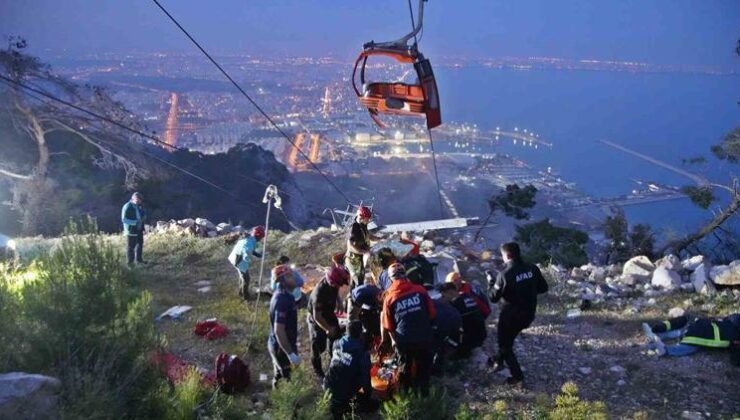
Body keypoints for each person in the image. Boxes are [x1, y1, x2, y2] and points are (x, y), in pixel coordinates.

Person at [487, 242, 548, 387]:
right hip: (528, 314)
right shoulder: (532, 268)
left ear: (507, 256)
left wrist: (490, 283)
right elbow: (543, 288)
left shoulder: (504, 275)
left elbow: (493, 298)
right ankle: (497, 360)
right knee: (507, 341)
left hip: (510, 316)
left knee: (505, 345)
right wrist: (528, 292)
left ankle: (517, 377)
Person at [381, 262, 436, 395]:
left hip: (404, 340)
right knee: (424, 368)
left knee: (404, 369)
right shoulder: (420, 290)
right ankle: (424, 395)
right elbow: (432, 313)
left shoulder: (389, 298)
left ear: (390, 279)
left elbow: (388, 325)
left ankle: (405, 397)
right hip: (424, 337)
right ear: (405, 275)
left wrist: (394, 342)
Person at [323, 320, 380, 419]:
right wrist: (369, 395)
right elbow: (365, 381)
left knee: (347, 373)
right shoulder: (362, 354)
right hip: (343, 395)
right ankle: (352, 407)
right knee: (372, 403)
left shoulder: (336, 343)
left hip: (327, 386)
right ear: (360, 334)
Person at [642, 313, 740, 363]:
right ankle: (666, 350)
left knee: (680, 332)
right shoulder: (736, 337)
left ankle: (658, 336)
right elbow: (735, 361)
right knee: (688, 348)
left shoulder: (724, 322)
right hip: (699, 338)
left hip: (696, 325)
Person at [307, 265, 350, 378]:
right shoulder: (319, 293)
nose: (339, 286)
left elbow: (336, 291)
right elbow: (317, 316)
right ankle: (318, 371)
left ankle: (334, 360)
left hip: (329, 312)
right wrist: (327, 328)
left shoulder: (335, 281)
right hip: (317, 319)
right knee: (318, 346)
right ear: (331, 282)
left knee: (335, 337)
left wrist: (339, 302)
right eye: (337, 284)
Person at [267, 265, 301, 388]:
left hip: (283, 344)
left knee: (279, 374)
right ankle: (289, 405)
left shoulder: (287, 295)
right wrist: (290, 354)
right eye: (290, 276)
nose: (294, 278)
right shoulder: (281, 300)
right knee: (288, 379)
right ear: (282, 279)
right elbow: (279, 330)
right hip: (280, 348)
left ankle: (276, 390)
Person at [442, 280, 486, 358]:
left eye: (444, 296)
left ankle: (462, 356)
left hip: (472, 339)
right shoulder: (467, 296)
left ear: (450, 292)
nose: (443, 299)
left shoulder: (455, 305)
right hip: (481, 334)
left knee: (444, 337)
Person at [346, 206, 381, 290]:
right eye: (367, 218)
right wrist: (363, 252)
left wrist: (380, 239)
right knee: (359, 279)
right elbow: (350, 246)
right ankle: (355, 297)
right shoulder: (353, 228)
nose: (368, 220)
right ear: (361, 217)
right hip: (354, 258)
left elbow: (368, 235)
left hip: (364, 255)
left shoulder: (363, 225)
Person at [431, 283, 463, 376]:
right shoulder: (434, 304)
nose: (454, 296)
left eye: (455, 293)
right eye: (451, 293)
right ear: (444, 293)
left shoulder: (453, 310)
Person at [227, 226, 265, 300]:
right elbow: (247, 251)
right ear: (258, 236)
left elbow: (250, 250)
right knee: (246, 279)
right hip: (239, 261)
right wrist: (247, 258)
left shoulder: (249, 238)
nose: (261, 239)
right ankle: (245, 296)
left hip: (235, 258)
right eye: (261, 237)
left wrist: (258, 255)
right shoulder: (250, 242)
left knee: (242, 277)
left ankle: (241, 292)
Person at [121, 192, 146, 265]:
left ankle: (139, 260)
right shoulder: (127, 206)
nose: (139, 202)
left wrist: (143, 218)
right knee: (131, 247)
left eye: (140, 200)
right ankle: (130, 262)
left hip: (139, 229)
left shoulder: (138, 206)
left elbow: (141, 215)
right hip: (131, 230)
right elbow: (124, 219)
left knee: (140, 244)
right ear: (134, 198)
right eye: (138, 200)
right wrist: (135, 222)